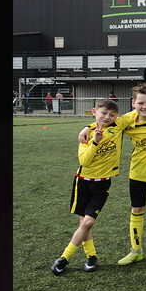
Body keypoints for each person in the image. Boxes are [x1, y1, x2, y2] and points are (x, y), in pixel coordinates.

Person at [79, 83, 146, 267]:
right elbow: (105, 122)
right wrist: (88, 127)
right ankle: (136, 251)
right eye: (140, 103)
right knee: (136, 210)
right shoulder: (128, 120)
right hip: (135, 174)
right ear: (133, 103)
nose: (145, 107)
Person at [50, 98, 124, 275]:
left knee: (88, 221)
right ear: (94, 112)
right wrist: (95, 141)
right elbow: (84, 160)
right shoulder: (87, 134)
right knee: (84, 223)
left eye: (112, 114)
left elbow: (138, 112)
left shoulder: (118, 126)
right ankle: (91, 257)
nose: (107, 117)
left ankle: (64, 258)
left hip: (103, 183)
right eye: (104, 113)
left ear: (117, 116)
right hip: (83, 182)